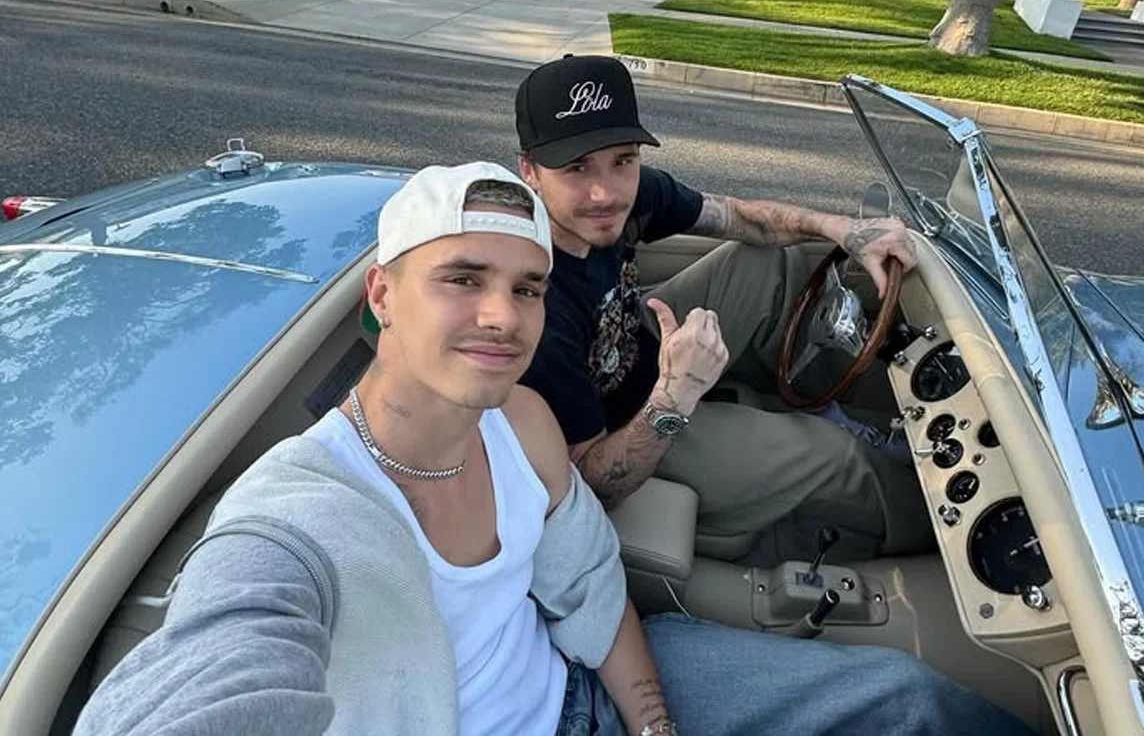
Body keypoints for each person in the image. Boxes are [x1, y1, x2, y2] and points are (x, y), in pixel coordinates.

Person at [72, 163, 1032, 736]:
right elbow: (213, 675)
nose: (503, 316)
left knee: (909, 703)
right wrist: (673, 402)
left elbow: (592, 591)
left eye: (526, 288)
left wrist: (652, 723)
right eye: (462, 279)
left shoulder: (521, 423)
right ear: (382, 296)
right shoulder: (292, 519)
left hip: (591, 687)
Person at [515, 55, 931, 563]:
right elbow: (595, 483)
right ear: (529, 171)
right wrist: (676, 394)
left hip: (640, 346)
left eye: (622, 159)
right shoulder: (533, 305)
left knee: (765, 263)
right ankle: (943, 527)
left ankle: (822, 403)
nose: (605, 193)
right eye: (576, 168)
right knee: (836, 458)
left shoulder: (632, 195)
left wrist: (842, 229)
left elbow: (739, 218)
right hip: (635, 424)